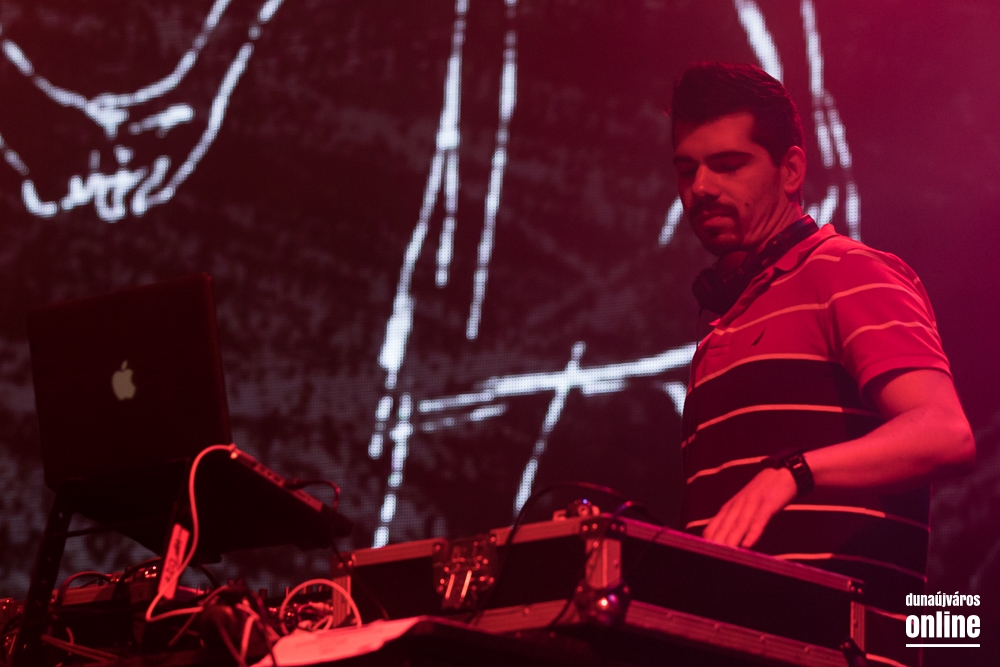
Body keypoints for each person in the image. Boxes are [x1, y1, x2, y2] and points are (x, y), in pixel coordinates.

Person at [670, 62, 975, 664]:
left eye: (727, 165)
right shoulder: (719, 326)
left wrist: (792, 472)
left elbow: (945, 432)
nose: (701, 186)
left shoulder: (847, 272)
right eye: (687, 169)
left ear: (791, 170)